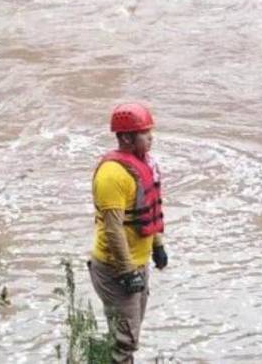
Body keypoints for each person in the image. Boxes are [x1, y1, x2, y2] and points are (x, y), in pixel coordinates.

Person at [88, 102, 168, 364]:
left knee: (129, 334)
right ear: (126, 137)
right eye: (145, 133)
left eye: (150, 132)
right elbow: (113, 229)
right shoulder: (112, 175)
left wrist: (157, 245)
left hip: (137, 262)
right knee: (126, 340)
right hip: (115, 268)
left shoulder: (143, 164)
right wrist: (126, 271)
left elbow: (146, 210)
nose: (151, 138)